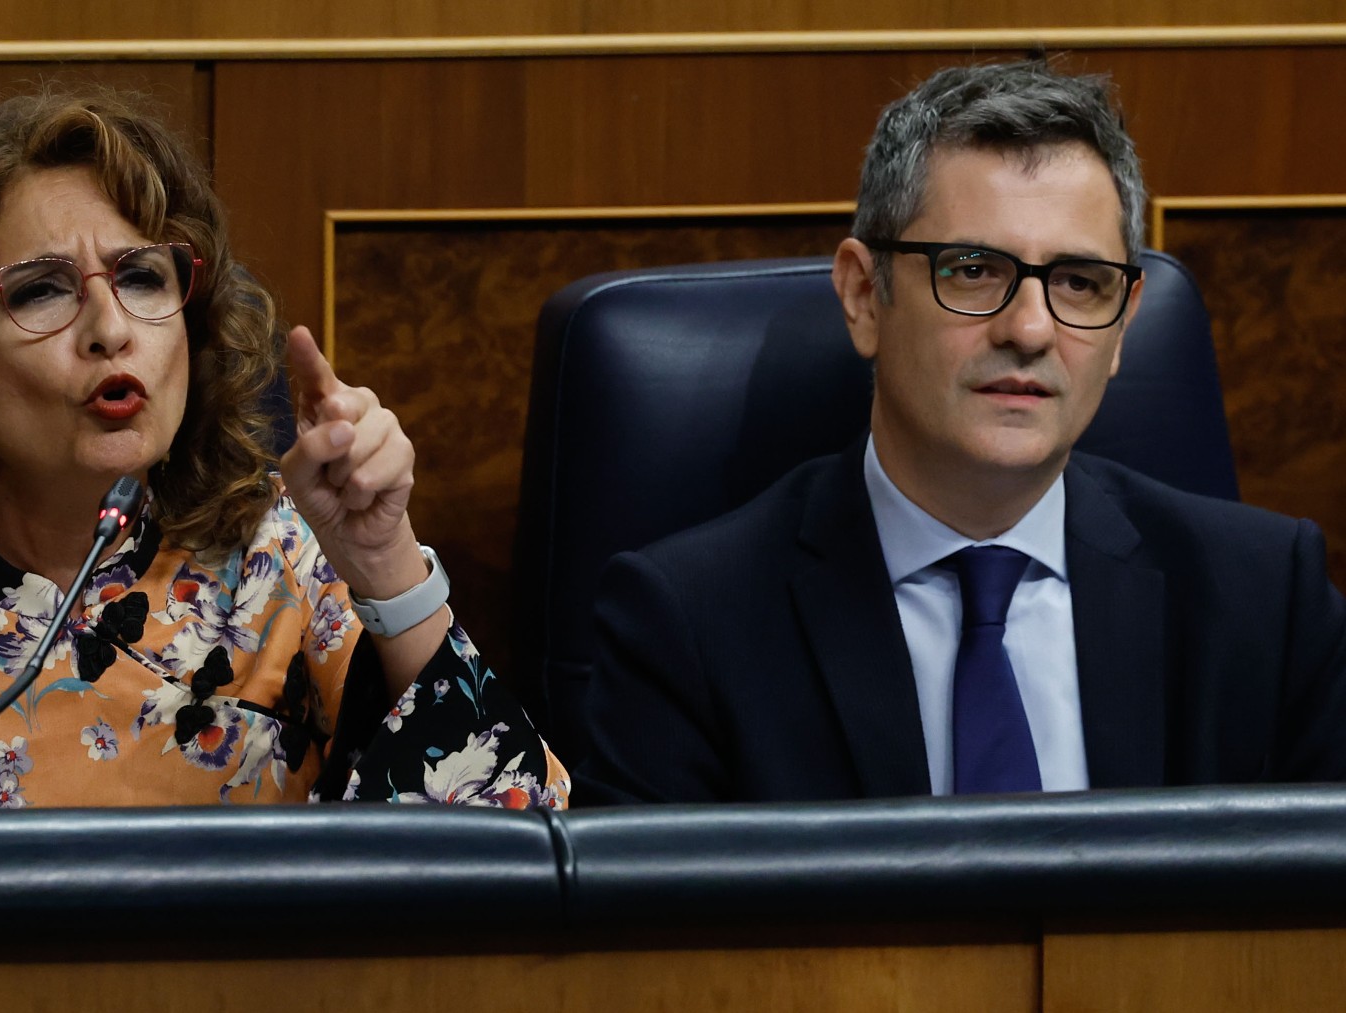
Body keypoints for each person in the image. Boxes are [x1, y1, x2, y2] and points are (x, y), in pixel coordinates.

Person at [0, 87, 568, 815]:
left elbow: (523, 854)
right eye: (41, 291)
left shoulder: (289, 576)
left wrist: (385, 562)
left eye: (141, 276)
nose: (111, 329)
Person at [575, 60, 1346, 804]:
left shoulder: (1268, 599)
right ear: (863, 295)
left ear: (1124, 327)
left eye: (1080, 283)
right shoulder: (688, 626)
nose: (1032, 328)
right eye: (974, 269)